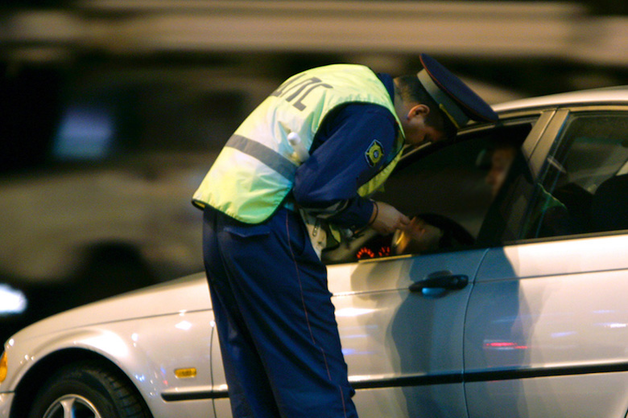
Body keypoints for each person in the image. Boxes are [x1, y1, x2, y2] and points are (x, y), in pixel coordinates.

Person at [192, 53, 497, 418]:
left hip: (224, 217)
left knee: (252, 373)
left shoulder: (346, 78)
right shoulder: (377, 116)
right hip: (271, 225)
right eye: (425, 138)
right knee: (313, 374)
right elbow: (317, 192)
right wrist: (372, 213)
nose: (416, 144)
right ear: (418, 112)